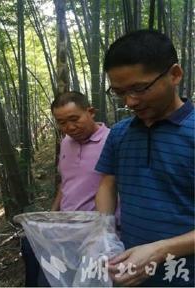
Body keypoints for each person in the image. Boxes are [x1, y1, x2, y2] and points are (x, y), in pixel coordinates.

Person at [95, 29, 194, 287]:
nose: (130, 101)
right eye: (119, 92)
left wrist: (160, 250)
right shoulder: (119, 134)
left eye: (139, 88)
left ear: (174, 74)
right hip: (131, 275)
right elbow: (108, 182)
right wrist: (105, 230)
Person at [21, 91, 115, 287]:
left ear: (91, 112)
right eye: (62, 122)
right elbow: (66, 183)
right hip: (64, 228)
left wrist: (109, 228)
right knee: (33, 255)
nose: (70, 127)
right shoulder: (66, 143)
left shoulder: (112, 141)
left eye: (75, 119)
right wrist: (50, 216)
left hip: (94, 232)